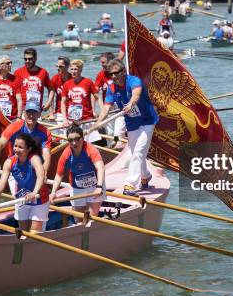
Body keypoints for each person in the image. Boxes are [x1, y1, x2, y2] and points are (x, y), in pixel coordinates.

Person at [94, 59, 159, 195]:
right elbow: (107, 106)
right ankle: (146, 176)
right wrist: (99, 121)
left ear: (123, 71)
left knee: (138, 152)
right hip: (132, 123)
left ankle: (130, 184)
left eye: (116, 73)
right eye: (110, 74)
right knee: (136, 153)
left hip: (147, 121)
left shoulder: (134, 80)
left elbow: (136, 94)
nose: (113, 76)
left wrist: (130, 103)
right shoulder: (111, 87)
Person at [0, 133, 49, 232]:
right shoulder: (9, 162)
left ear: (29, 149)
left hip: (39, 199)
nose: (16, 149)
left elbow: (41, 176)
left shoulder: (34, 159)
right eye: (15, 146)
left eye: (20, 147)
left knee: (34, 233)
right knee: (23, 232)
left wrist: (34, 192)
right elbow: (2, 183)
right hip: (22, 198)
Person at [50, 125, 105, 220]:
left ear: (82, 138)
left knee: (90, 219)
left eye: (77, 139)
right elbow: (59, 175)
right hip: (77, 188)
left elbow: (100, 168)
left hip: (95, 186)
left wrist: (99, 187)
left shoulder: (90, 149)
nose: (74, 143)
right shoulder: (66, 154)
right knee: (79, 220)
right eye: (70, 140)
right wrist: (53, 192)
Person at [0, 101, 52, 176]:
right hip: (15, 166)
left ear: (39, 115)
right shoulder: (14, 127)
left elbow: (46, 156)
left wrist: (43, 173)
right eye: (28, 112)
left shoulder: (45, 132)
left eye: (34, 112)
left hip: (34, 168)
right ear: (24, 114)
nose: (31, 116)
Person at [61, 59, 100, 134]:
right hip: (72, 120)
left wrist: (102, 113)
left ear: (80, 70)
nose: (73, 71)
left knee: (89, 144)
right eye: (71, 69)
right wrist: (65, 120)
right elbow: (63, 102)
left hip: (87, 119)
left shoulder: (88, 82)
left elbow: (97, 97)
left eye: (75, 69)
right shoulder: (66, 84)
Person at [13, 48, 53, 112]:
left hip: (37, 109)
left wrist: (49, 102)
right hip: (22, 110)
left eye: (30, 59)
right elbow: (13, 91)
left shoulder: (43, 72)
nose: (27, 61)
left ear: (35, 58)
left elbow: (51, 89)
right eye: (25, 59)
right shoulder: (18, 72)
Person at [48, 56, 72, 121]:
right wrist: (51, 114)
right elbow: (51, 98)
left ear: (67, 66)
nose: (58, 68)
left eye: (61, 66)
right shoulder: (54, 79)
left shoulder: (73, 79)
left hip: (72, 112)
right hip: (59, 113)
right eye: (57, 66)